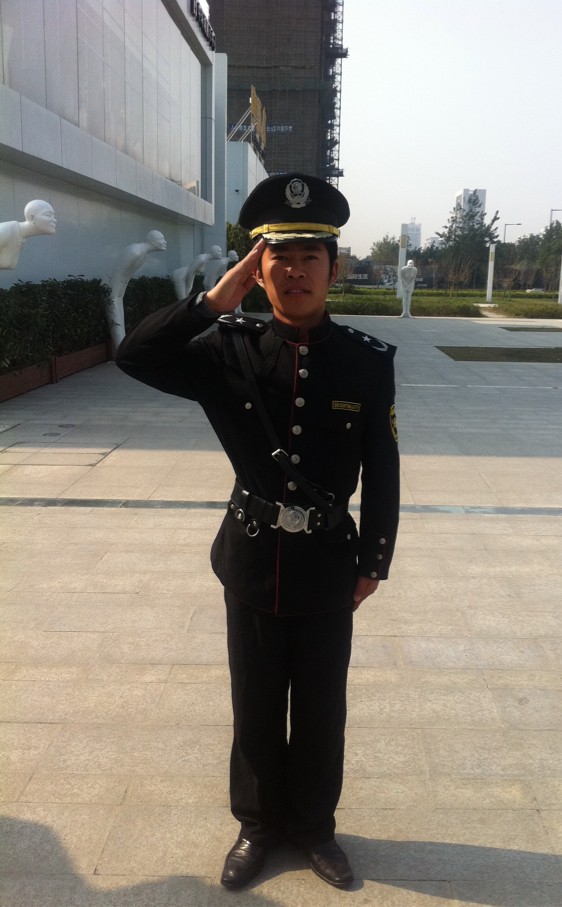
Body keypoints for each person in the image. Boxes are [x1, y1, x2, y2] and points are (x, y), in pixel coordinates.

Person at [116, 173, 400, 890]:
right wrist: (213, 301)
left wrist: (375, 560)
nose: (295, 271)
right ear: (258, 268)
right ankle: (257, 825)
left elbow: (383, 466)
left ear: (334, 268)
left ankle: (315, 828)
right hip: (250, 558)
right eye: (280, 257)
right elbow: (135, 355)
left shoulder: (366, 361)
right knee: (255, 702)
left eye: (310, 258)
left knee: (322, 707)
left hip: (329, 563)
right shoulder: (226, 350)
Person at [107, 230, 167, 348]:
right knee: (115, 317)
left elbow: (126, 276)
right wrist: (112, 296)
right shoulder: (134, 251)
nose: (165, 242)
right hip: (112, 288)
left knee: (119, 316)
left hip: (119, 290)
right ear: (152, 241)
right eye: (161, 239)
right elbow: (117, 273)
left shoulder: (143, 255)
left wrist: (119, 294)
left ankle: (122, 348)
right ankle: (120, 350)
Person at [0, 199, 57, 269]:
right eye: (48, 215)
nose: (54, 220)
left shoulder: (20, 238)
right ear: (32, 218)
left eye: (53, 216)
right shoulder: (4, 232)